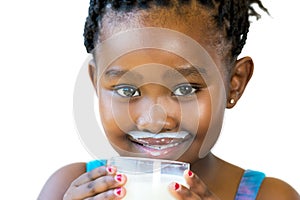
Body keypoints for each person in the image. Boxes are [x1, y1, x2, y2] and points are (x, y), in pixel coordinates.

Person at [38, 0, 300, 199]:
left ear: (235, 83)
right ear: (96, 83)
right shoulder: (67, 187)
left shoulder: (272, 195)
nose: (154, 122)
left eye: (185, 89)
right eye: (127, 90)